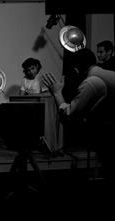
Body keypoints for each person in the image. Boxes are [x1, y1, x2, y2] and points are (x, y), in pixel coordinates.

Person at [42, 48, 115, 215]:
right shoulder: (110, 74)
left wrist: (57, 92)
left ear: (75, 70)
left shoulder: (91, 82)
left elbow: (70, 116)